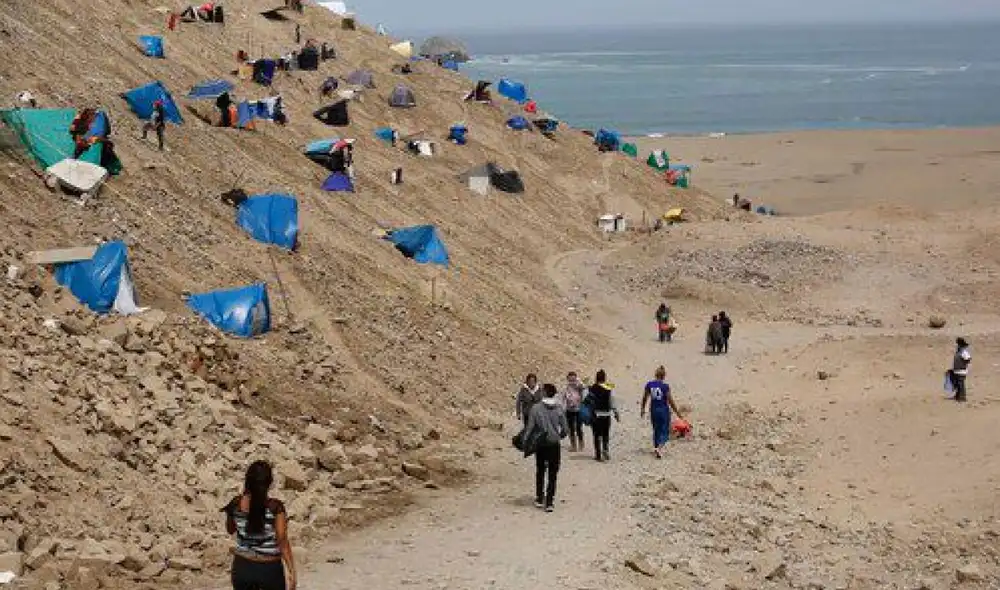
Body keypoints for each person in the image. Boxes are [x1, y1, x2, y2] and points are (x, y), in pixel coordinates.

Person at [223, 461, 296, 590]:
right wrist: (291, 570)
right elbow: (282, 539)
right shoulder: (275, 507)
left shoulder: (235, 504)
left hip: (242, 566)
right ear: (269, 483)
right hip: (269, 568)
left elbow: (230, 530)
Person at [524, 383, 568, 512]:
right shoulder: (559, 408)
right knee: (553, 473)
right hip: (554, 444)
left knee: (540, 470)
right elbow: (565, 429)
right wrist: (559, 436)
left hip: (541, 444)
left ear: (544, 393)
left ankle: (539, 498)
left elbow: (530, 427)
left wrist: (526, 441)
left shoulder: (535, 408)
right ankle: (549, 501)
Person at [640, 366, 684, 458]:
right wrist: (677, 412)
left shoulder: (649, 384)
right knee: (665, 430)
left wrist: (642, 409)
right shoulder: (665, 386)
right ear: (663, 376)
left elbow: (644, 398)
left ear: (655, 374)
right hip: (663, 410)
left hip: (653, 409)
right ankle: (659, 448)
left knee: (656, 429)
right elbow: (670, 400)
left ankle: (656, 447)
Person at [586, 369, 619, 462]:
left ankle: (598, 455)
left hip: (596, 415)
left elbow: (587, 401)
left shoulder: (592, 388)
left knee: (596, 435)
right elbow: (612, 400)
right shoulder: (608, 387)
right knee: (605, 434)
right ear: (605, 378)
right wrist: (616, 413)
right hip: (606, 414)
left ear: (596, 378)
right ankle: (605, 450)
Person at [560, 371, 586, 452]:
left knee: (578, 428)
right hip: (569, 410)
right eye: (570, 379)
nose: (572, 381)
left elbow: (584, 387)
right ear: (568, 379)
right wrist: (562, 409)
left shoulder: (579, 386)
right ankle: (573, 445)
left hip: (579, 410)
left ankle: (581, 444)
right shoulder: (566, 387)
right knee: (571, 429)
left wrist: (578, 381)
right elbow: (562, 398)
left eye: (573, 379)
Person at [950, 337, 972, 403]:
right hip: (956, 371)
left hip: (961, 371)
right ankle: (958, 396)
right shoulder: (958, 352)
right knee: (957, 384)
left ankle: (962, 397)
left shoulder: (964, 352)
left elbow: (968, 359)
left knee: (961, 384)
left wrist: (963, 364)